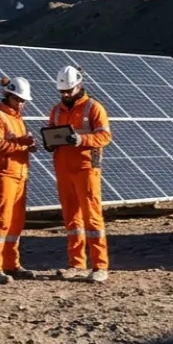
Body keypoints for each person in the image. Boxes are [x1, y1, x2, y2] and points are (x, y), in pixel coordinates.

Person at [46, 65, 112, 283]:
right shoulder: (56, 110)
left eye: (69, 91)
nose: (65, 95)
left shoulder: (93, 108)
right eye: (62, 92)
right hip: (63, 168)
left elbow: (104, 137)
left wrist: (81, 140)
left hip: (86, 168)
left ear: (79, 86)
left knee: (92, 217)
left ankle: (100, 265)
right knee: (71, 217)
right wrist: (50, 142)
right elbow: (51, 131)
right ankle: (76, 263)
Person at [0, 76, 39, 284]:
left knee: (16, 222)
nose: (21, 104)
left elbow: (16, 143)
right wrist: (22, 145)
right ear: (8, 96)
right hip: (3, 174)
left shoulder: (17, 118)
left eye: (23, 101)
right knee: (1, 221)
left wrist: (26, 144)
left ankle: (11, 264)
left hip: (19, 174)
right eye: (18, 99)